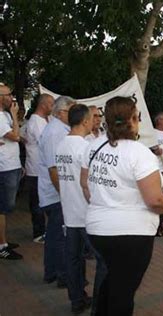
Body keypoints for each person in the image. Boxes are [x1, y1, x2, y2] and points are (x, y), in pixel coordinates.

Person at [80, 96, 163, 315]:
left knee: (111, 283)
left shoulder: (93, 146)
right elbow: (154, 200)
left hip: (98, 229)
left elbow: (85, 185)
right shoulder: (139, 153)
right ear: (133, 119)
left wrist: (105, 201)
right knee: (123, 293)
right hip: (131, 235)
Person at [56, 104, 93, 314]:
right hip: (85, 213)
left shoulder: (61, 145)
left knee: (73, 259)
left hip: (69, 212)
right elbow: (88, 183)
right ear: (85, 121)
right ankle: (98, 301)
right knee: (102, 261)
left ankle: (76, 299)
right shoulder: (84, 147)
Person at [39, 95, 76, 285]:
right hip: (55, 193)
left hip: (55, 191)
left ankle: (52, 272)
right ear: (62, 112)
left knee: (54, 234)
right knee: (59, 235)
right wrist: (63, 194)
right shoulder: (55, 132)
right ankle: (61, 274)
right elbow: (53, 168)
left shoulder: (59, 129)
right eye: (72, 110)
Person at [23, 94, 54, 244]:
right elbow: (45, 141)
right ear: (43, 105)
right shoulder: (35, 121)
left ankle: (43, 230)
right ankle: (39, 232)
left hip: (43, 168)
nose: (53, 107)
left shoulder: (45, 120)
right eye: (51, 104)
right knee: (36, 202)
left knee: (42, 200)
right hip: (35, 169)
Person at [0, 83, 23, 260]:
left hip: (11, 165)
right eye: (8, 95)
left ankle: (4, 240)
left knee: (6, 208)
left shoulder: (4, 115)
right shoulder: (2, 117)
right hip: (4, 168)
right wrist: (15, 116)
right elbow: (15, 136)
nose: (11, 98)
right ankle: (2, 246)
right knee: (3, 208)